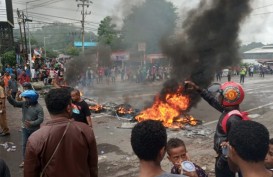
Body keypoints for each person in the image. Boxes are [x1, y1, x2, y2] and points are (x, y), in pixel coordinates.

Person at [24, 88, 98, 177]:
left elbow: (30, 173)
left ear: (48, 108)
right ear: (68, 108)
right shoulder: (86, 130)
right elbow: (93, 167)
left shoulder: (35, 138)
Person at [185, 81, 246, 177]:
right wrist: (198, 88)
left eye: (220, 94)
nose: (218, 96)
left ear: (228, 97)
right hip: (223, 158)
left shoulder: (234, 119)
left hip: (227, 163)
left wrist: (222, 160)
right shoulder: (228, 111)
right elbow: (212, 101)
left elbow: (234, 145)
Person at [7, 90, 44, 168]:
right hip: (25, 128)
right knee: (24, 145)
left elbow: (41, 119)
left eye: (27, 98)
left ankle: (37, 160)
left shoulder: (39, 108)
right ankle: (24, 160)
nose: (25, 99)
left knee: (35, 145)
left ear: (32, 99)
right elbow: (15, 103)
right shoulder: (25, 104)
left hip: (35, 130)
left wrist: (32, 123)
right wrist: (9, 97)